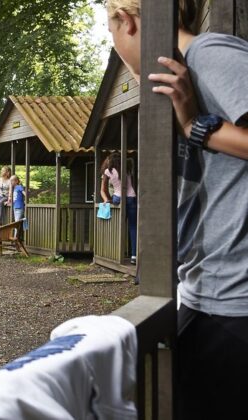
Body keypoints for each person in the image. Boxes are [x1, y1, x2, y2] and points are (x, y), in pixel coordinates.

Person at [106, 0, 248, 417]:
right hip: (210, 297)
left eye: (109, 33)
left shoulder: (210, 54)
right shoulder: (182, 76)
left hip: (236, 305)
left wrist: (196, 128)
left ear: (128, 23)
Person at [99, 152, 137, 264]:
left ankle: (115, 254)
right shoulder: (127, 169)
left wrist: (106, 200)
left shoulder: (108, 171)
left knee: (117, 226)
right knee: (133, 227)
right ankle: (134, 256)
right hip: (132, 198)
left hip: (118, 198)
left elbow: (102, 190)